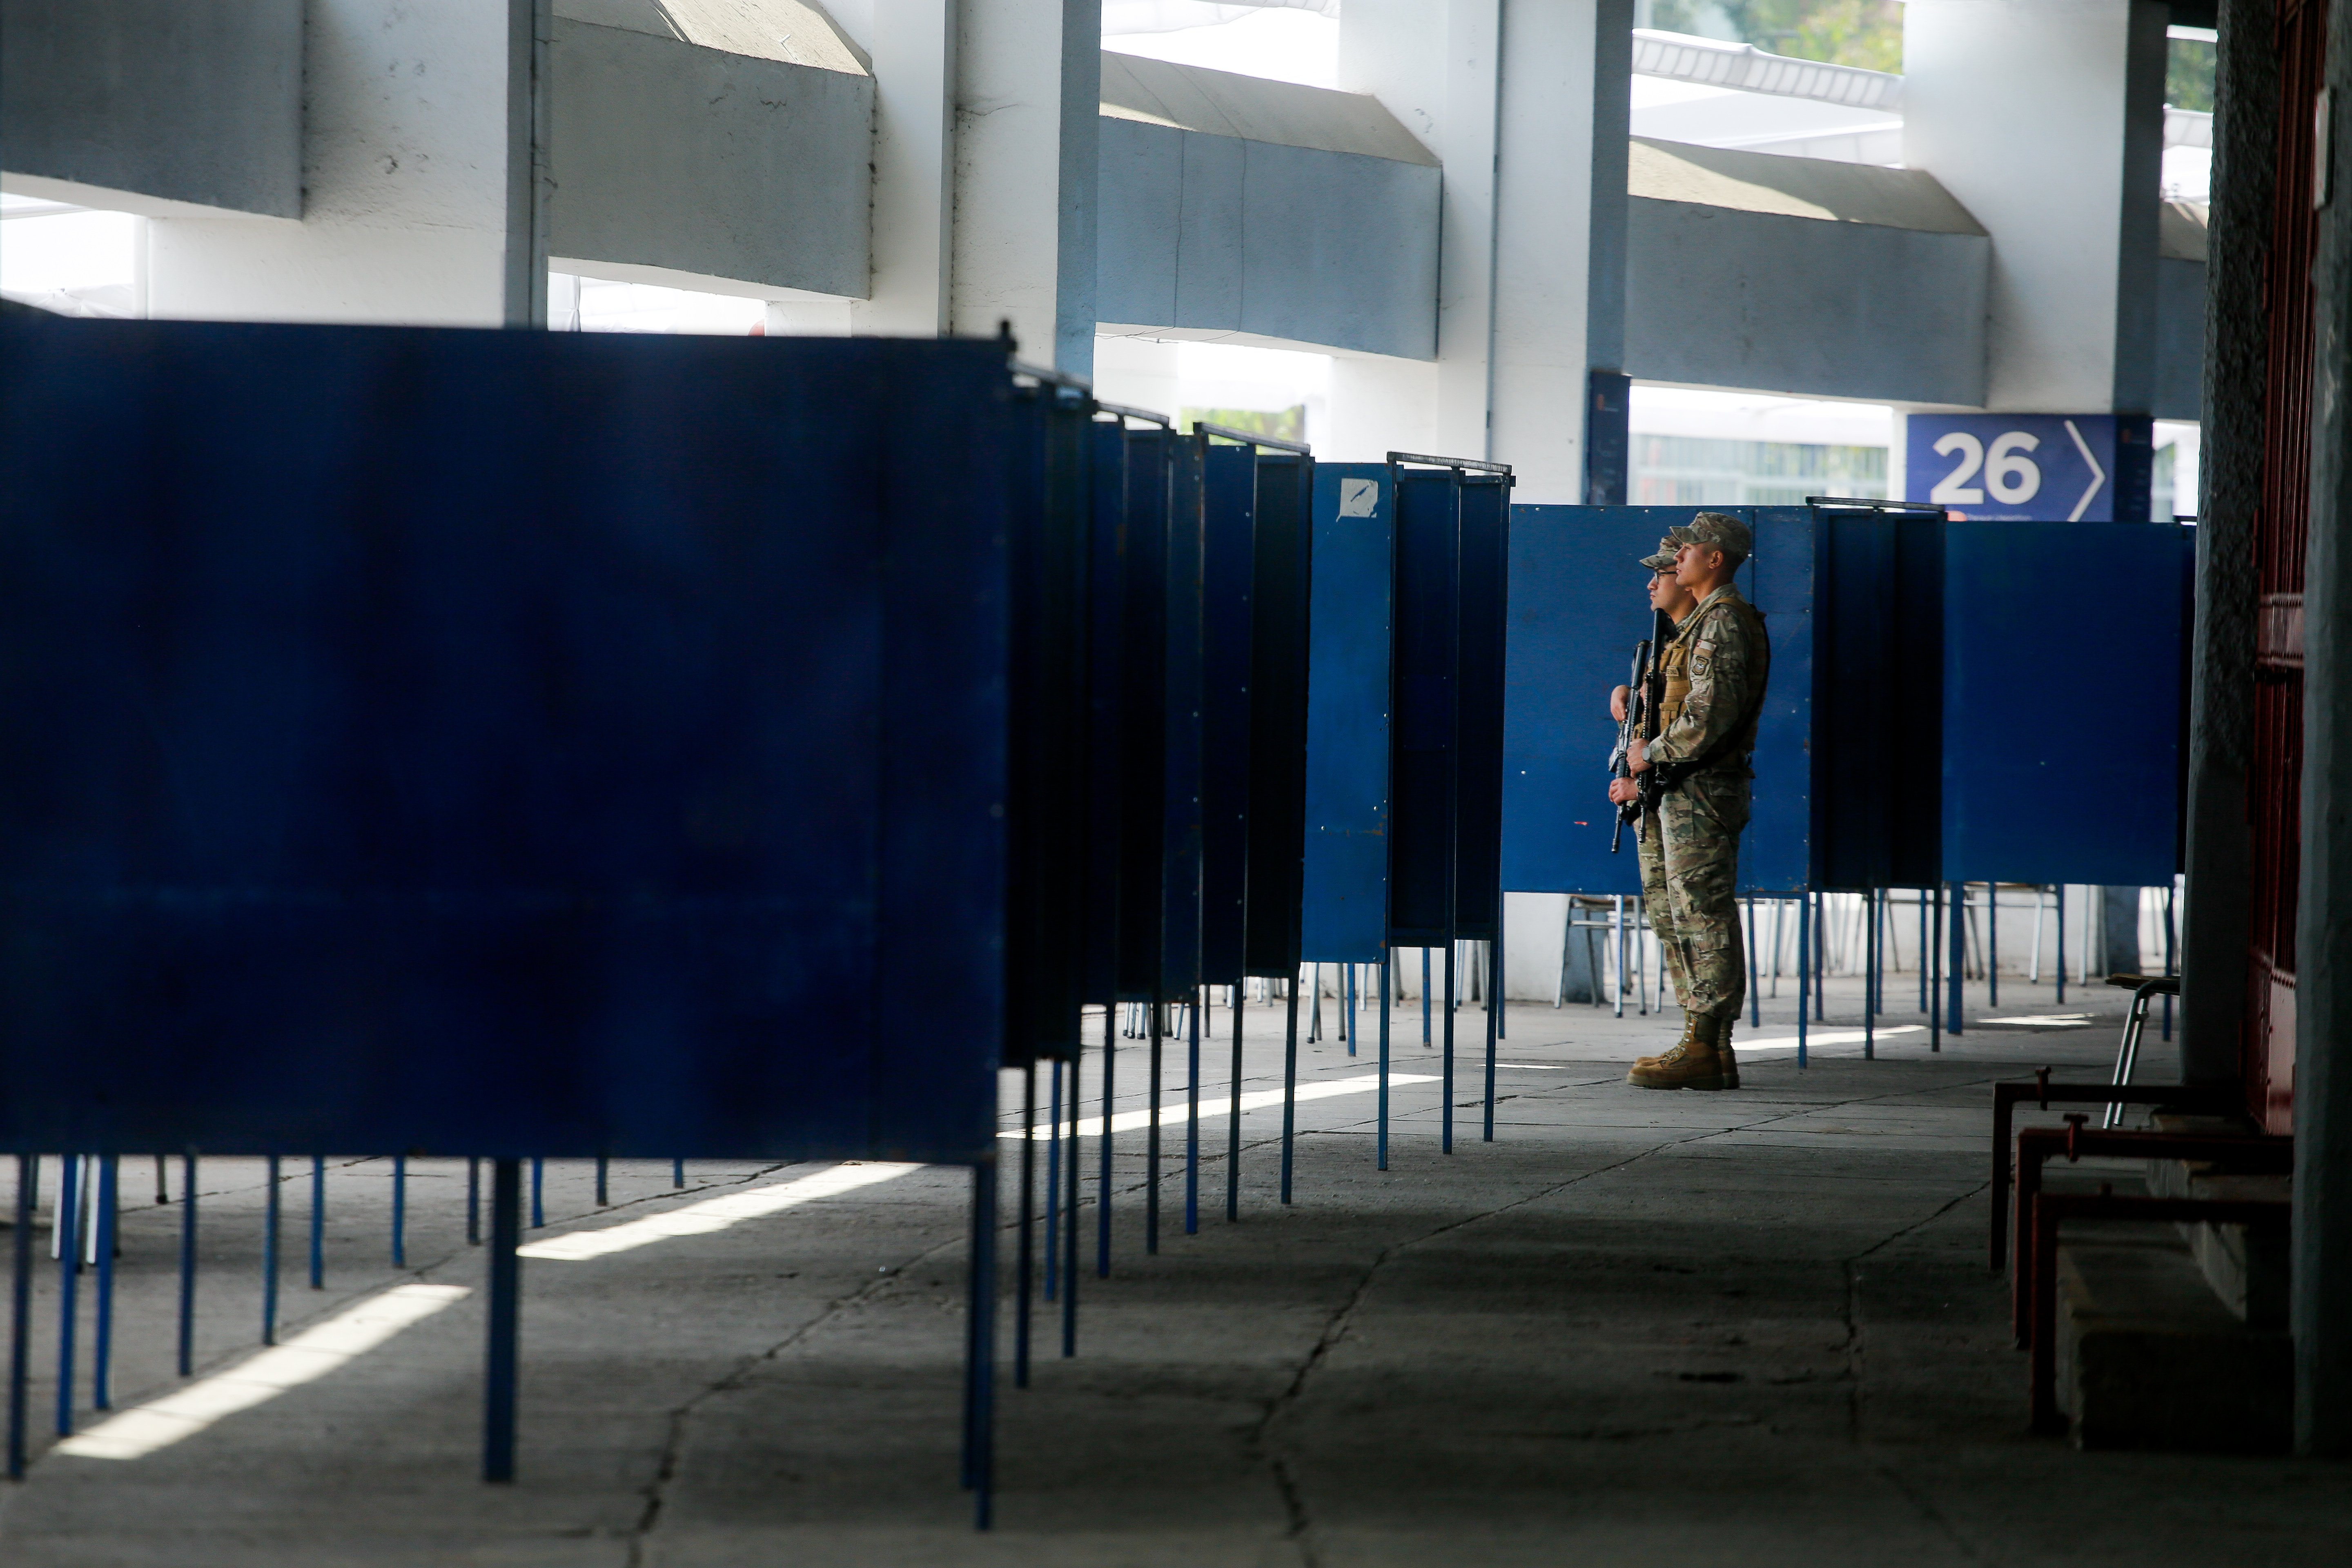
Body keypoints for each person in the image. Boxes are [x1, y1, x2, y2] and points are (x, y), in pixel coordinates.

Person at [1611, 512, 1772, 1090]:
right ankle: (1707, 1046)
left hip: (1700, 789)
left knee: (1702, 916)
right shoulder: (1700, 624)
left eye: (1687, 551)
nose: (1675, 562)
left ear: (1715, 559)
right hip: (1681, 789)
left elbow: (1709, 719)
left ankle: (1705, 1043)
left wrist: (1650, 754)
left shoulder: (1723, 621)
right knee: (1677, 914)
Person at [1610, 541, 1699, 1027]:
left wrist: (1646, 765)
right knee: (1668, 922)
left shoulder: (1707, 635)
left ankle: (1706, 1036)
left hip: (1683, 799)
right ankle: (1694, 1031)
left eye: (1662, 574)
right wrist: (1627, 693)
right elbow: (1656, 711)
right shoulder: (1665, 642)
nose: (1652, 584)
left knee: (1694, 922)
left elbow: (1701, 728)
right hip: (1653, 801)